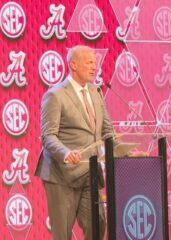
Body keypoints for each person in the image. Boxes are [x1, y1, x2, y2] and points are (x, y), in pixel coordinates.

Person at [35, 45, 114, 240]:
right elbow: (48, 136)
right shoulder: (56, 95)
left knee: (98, 224)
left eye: (95, 63)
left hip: (90, 172)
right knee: (62, 234)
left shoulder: (96, 92)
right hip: (62, 175)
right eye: (89, 62)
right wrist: (66, 153)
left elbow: (108, 132)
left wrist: (128, 154)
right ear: (73, 65)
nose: (94, 67)